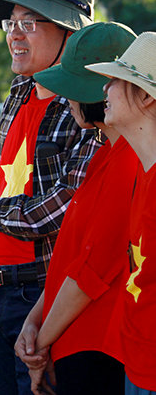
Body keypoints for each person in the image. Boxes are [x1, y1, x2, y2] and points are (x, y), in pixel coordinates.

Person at [0, 0, 102, 395]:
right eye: (11, 23)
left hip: (45, 293)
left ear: (69, 33)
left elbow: (66, 206)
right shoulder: (19, 91)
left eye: (31, 23)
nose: (14, 34)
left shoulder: (88, 104)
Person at [11, 22, 138, 395]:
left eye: (71, 90)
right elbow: (71, 259)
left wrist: (39, 341)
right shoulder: (105, 154)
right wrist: (35, 324)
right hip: (70, 340)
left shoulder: (131, 161)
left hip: (96, 348)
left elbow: (92, 270)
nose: (67, 100)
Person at [85, 32, 156, 395]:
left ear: (145, 95)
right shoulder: (144, 172)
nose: (105, 90)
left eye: (116, 80)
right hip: (136, 366)